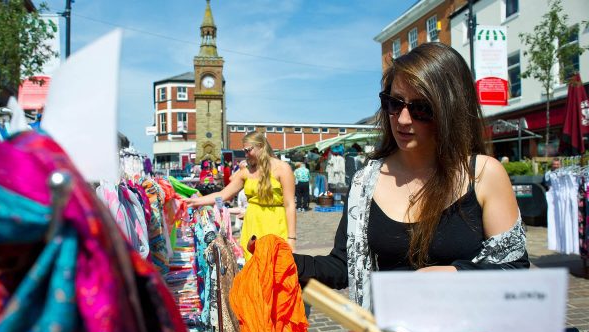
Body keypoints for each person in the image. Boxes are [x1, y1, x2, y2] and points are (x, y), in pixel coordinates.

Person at [292, 42, 529, 310]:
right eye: (394, 103)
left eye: (421, 109)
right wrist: (288, 263)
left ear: (450, 108)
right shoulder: (364, 182)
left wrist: (454, 274)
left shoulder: (483, 174)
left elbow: (514, 268)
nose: (403, 119)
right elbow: (344, 265)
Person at [185, 131, 297, 261]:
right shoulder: (246, 172)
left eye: (248, 150)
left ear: (261, 146)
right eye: (244, 151)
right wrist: (195, 202)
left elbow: (290, 205)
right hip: (252, 226)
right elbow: (223, 195)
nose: (245, 154)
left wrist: (292, 239)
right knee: (253, 269)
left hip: (276, 224)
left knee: (276, 267)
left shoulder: (282, 168)